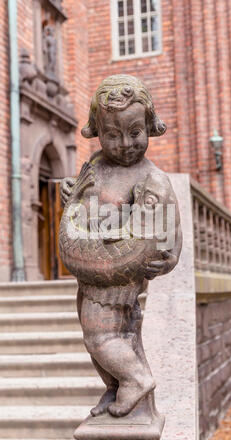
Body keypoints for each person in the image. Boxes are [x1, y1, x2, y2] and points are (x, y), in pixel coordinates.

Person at [60, 75, 182, 417]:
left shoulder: (151, 178)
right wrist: (71, 192)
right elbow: (83, 195)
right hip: (90, 269)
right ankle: (114, 387)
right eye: (112, 135)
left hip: (119, 275)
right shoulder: (97, 165)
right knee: (92, 338)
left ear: (149, 126)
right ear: (98, 131)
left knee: (102, 337)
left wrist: (169, 257)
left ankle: (135, 379)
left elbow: (170, 225)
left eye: (135, 132)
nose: (125, 143)